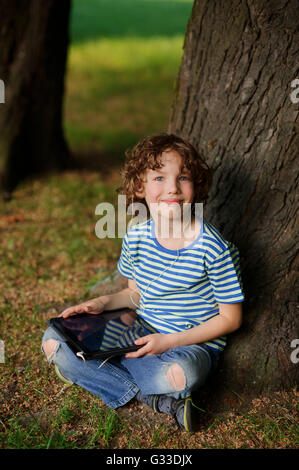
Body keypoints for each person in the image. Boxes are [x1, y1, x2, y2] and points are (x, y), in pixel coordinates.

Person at [41, 133, 245, 432]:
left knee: (181, 373)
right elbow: (134, 294)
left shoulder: (213, 248)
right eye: (159, 177)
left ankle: (96, 373)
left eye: (184, 177)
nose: (172, 188)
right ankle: (159, 401)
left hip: (189, 346)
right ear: (140, 186)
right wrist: (101, 303)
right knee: (53, 341)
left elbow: (231, 319)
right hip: (138, 335)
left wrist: (169, 341)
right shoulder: (137, 236)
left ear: (196, 186)